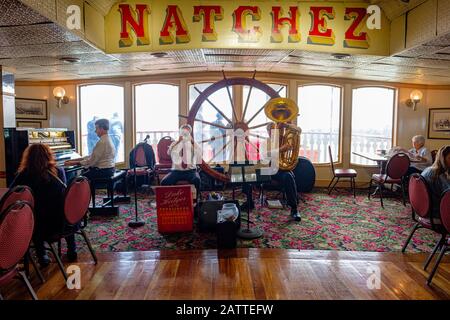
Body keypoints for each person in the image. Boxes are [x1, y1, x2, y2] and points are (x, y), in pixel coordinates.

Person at [10, 144, 77, 266]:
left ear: (28, 157)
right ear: (48, 155)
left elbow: (12, 193)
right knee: (62, 209)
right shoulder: (59, 171)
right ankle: (72, 249)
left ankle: (42, 256)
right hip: (64, 223)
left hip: (41, 226)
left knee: (34, 217)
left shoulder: (24, 174)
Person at [244, 122, 302, 222]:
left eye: (276, 130)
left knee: (288, 176)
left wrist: (286, 125)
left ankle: (294, 209)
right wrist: (281, 149)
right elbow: (265, 156)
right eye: (271, 130)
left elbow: (299, 130)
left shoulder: (285, 140)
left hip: (280, 170)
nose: (274, 132)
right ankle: (249, 201)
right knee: (246, 172)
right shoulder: (265, 142)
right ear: (268, 132)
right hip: (266, 169)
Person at [161, 124, 202, 196]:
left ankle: (196, 199)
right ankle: (169, 199)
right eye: (183, 131)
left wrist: (192, 142)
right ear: (180, 132)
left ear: (190, 133)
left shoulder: (193, 143)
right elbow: (168, 153)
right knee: (164, 182)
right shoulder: (174, 143)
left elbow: (199, 154)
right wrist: (177, 142)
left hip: (190, 171)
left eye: (187, 131)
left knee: (197, 180)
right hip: (176, 171)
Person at [421, 145, 450, 219]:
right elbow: (448, 195)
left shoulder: (428, 169)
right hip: (437, 213)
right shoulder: (440, 175)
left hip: (424, 209)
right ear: (442, 159)